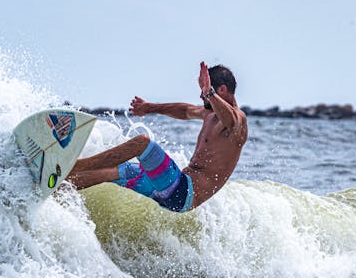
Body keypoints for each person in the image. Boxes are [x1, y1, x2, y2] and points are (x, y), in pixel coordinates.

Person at [68, 62, 248, 212]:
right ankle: (61, 186)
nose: (201, 95)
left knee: (142, 144)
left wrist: (210, 92)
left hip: (183, 193)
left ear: (221, 90)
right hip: (170, 189)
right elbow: (185, 110)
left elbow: (230, 119)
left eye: (205, 91)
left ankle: (74, 166)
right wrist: (149, 107)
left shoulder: (237, 122)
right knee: (115, 171)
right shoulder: (209, 114)